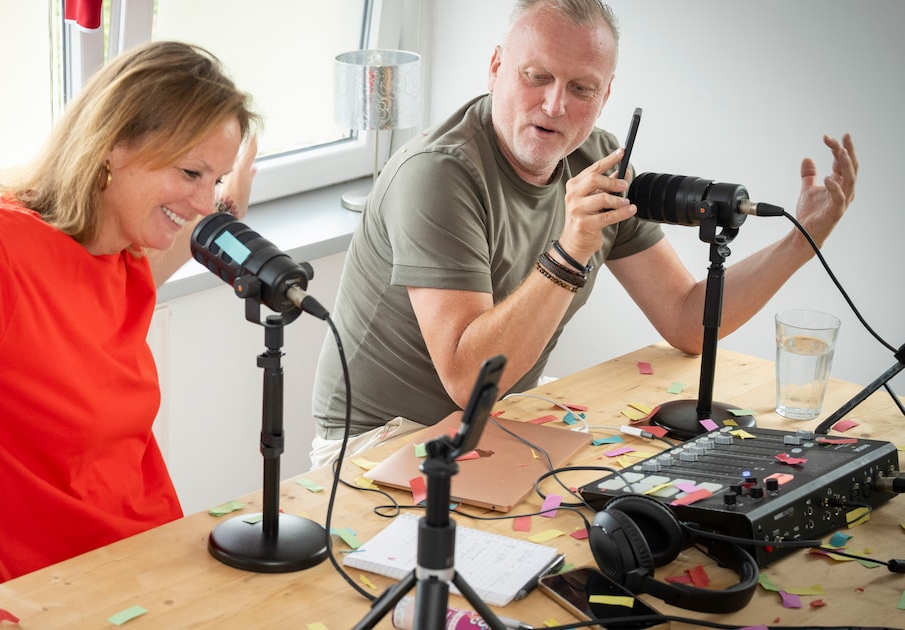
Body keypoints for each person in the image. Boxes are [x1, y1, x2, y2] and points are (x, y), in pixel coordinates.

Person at [310, 0, 858, 469]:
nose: (555, 106)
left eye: (581, 88)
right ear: (497, 66)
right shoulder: (439, 174)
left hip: (494, 426)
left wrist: (802, 238)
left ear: (606, 95)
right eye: (536, 77)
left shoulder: (599, 158)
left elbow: (688, 319)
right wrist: (570, 250)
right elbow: (466, 378)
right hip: (379, 443)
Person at [0, 0, 259, 610]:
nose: (202, 201)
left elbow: (193, 234)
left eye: (215, 180)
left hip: (135, 572)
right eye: (191, 172)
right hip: (17, 595)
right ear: (113, 146)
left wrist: (223, 205)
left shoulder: (122, 251)